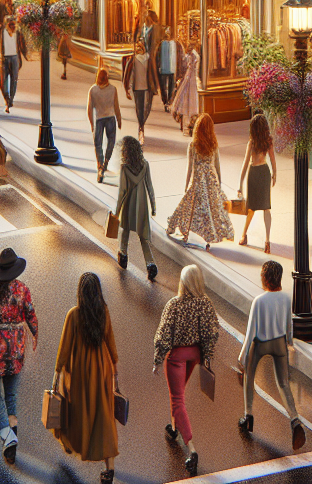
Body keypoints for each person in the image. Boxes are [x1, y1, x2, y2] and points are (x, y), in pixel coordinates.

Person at [152, 265, 220, 476]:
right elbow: (212, 333)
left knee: (177, 399)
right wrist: (207, 357)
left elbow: (163, 335)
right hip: (196, 355)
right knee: (180, 391)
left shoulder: (174, 304)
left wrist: (157, 359)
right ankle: (174, 427)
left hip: (177, 357)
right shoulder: (206, 304)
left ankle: (191, 448)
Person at [52, 272, 119, 483]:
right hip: (102, 369)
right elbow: (111, 342)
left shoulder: (74, 314)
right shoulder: (104, 312)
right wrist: (115, 370)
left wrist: (57, 373)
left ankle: (70, 442)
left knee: (74, 410)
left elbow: (65, 347)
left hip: (79, 371)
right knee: (103, 414)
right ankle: (109, 468)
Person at [0, 247, 38, 466]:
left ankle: (8, 436)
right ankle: (12, 440)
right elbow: (31, 315)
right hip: (17, 347)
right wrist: (34, 335)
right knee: (11, 395)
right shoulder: (23, 290)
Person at [237, 260, 306, 451]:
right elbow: (288, 325)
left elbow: (251, 331)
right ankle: (294, 420)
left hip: (260, 344)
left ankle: (248, 415)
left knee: (249, 376)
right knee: (283, 383)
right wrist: (290, 342)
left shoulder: (259, 301)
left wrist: (242, 356)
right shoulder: (285, 298)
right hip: (279, 343)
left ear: (266, 278)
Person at [166, 113, 234, 250]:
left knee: (189, 208)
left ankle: (181, 230)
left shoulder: (193, 145)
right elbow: (217, 165)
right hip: (210, 180)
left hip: (198, 181)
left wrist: (186, 185)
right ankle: (209, 238)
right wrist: (219, 184)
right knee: (209, 211)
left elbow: (189, 167)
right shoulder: (213, 144)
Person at [116, 134, 158, 281]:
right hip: (142, 206)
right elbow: (150, 187)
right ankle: (150, 263)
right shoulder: (145, 165)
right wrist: (153, 206)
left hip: (129, 205)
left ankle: (123, 254)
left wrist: (116, 212)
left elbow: (122, 191)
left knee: (125, 232)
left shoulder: (124, 168)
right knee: (143, 237)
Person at [238, 113, 277, 253]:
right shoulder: (265, 141)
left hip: (254, 173)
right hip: (264, 172)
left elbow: (245, 162)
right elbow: (272, 160)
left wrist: (240, 183)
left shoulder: (253, 142)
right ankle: (267, 240)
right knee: (265, 207)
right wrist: (274, 174)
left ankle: (244, 235)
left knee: (252, 207)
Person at [87, 68, 122, 183]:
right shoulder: (113, 89)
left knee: (98, 145)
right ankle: (106, 162)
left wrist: (92, 124)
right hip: (110, 119)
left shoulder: (93, 90)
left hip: (99, 120)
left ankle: (100, 166)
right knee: (111, 142)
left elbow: (89, 109)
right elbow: (116, 106)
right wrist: (119, 119)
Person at [122, 37, 159, 139]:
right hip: (137, 88)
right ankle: (141, 127)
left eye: (141, 46)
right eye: (137, 46)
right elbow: (127, 75)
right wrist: (127, 89)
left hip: (148, 88)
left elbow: (154, 73)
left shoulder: (149, 59)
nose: (139, 48)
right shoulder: (133, 60)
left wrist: (155, 86)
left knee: (147, 108)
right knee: (139, 109)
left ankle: (141, 124)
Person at [0, 16, 28, 113]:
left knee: (14, 80)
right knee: (3, 81)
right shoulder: (0, 32)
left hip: (15, 58)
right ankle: (7, 99)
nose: (13, 26)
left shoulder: (18, 33)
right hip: (3, 59)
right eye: (11, 24)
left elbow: (22, 44)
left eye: (14, 24)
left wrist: (25, 54)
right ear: (6, 24)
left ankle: (10, 100)